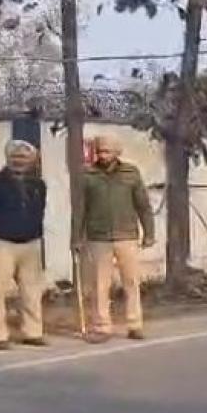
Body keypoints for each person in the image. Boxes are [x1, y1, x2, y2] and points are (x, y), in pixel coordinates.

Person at [75, 136, 155, 344]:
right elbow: (80, 210)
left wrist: (149, 232)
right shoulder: (88, 175)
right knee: (100, 284)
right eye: (100, 151)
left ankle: (135, 325)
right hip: (98, 237)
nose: (103, 155)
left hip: (127, 236)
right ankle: (102, 326)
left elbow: (143, 205)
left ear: (117, 152)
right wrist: (76, 237)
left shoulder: (131, 173)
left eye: (107, 151)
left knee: (131, 282)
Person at [0, 140, 48, 350]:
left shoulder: (38, 185)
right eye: (15, 157)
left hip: (31, 243)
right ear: (8, 158)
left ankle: (33, 332)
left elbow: (40, 210)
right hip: (1, 242)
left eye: (24, 157)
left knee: (32, 291)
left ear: (31, 160)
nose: (19, 161)